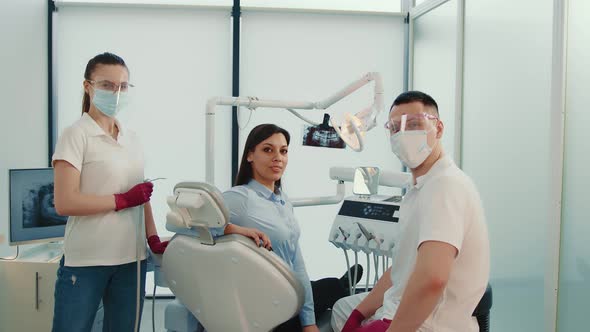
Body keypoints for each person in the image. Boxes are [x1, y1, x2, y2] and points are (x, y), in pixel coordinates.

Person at [331, 91, 490, 332]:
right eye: (395, 127)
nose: (403, 134)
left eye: (414, 124)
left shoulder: (445, 186)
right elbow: (400, 268)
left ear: (438, 128)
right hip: (399, 306)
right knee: (343, 310)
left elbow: (432, 280)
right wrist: (359, 313)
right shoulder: (418, 190)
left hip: (428, 324)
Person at [51, 52, 168, 332]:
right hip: (87, 259)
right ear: (87, 86)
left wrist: (152, 237)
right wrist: (121, 201)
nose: (115, 92)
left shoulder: (132, 138)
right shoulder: (75, 135)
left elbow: (141, 197)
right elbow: (65, 202)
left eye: (122, 86)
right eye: (106, 85)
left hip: (131, 259)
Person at [223, 123, 363, 332]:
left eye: (283, 151)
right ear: (250, 155)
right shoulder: (241, 197)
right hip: (263, 301)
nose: (277, 157)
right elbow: (189, 226)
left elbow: (297, 264)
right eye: (268, 150)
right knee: (332, 290)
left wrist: (310, 323)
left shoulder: (283, 201)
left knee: (328, 287)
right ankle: (340, 288)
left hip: (288, 291)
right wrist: (236, 230)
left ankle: (339, 287)